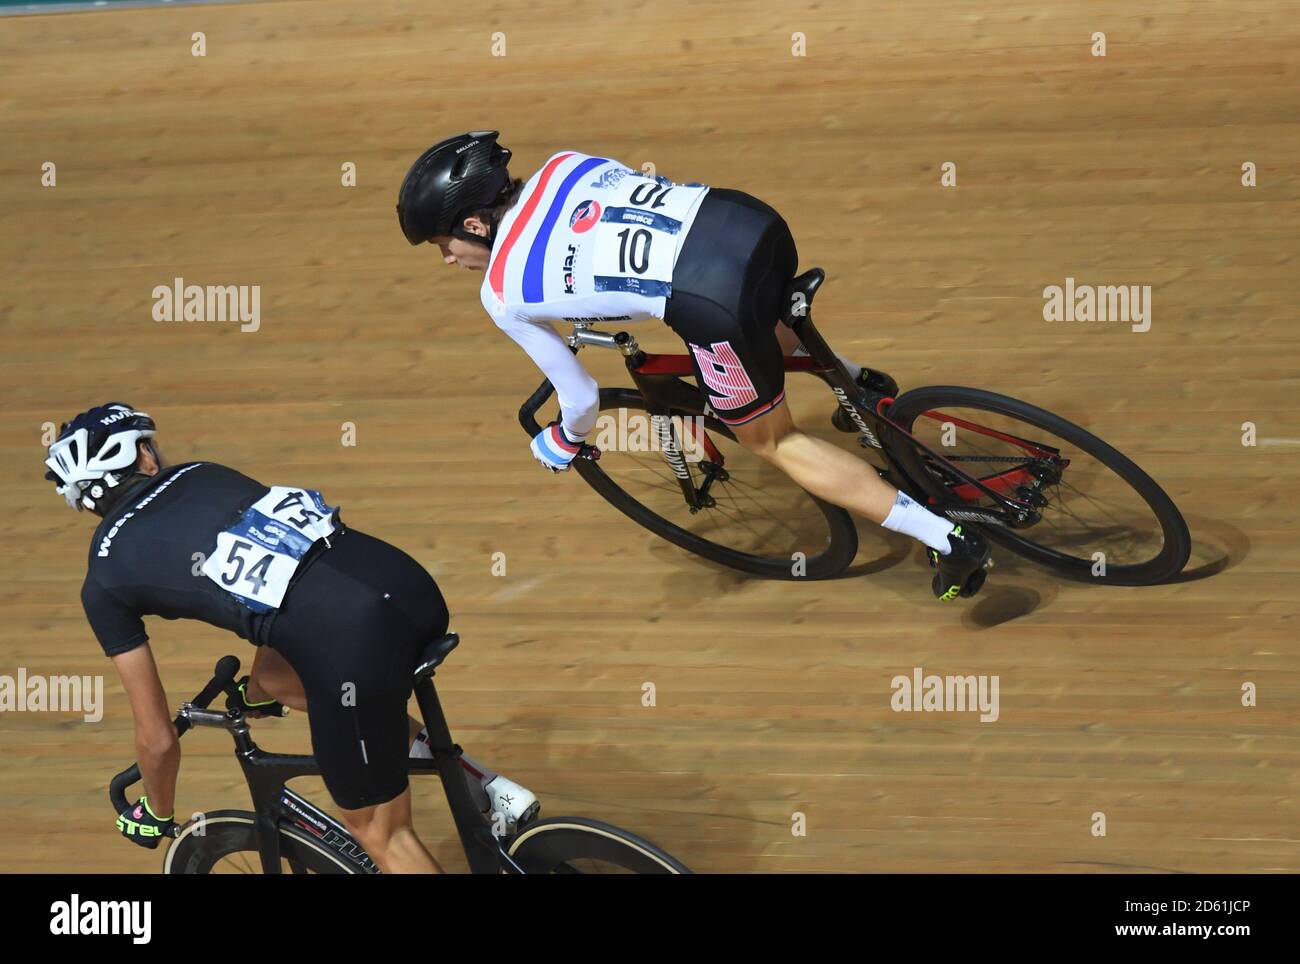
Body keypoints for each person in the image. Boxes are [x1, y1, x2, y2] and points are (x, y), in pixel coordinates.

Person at [396, 131, 992, 600]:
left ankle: (950, 538)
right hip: (751, 222)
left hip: (711, 299)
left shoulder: (502, 292)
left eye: (442, 245)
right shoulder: (562, 164)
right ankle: (858, 382)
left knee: (773, 440)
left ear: (474, 224)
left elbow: (580, 400)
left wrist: (564, 439)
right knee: (756, 322)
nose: (449, 259)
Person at [44, 402, 533, 873]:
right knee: (287, 679)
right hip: (406, 584)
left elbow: (157, 740)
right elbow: (285, 576)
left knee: (384, 835)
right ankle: (488, 788)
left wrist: (156, 810)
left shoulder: (103, 579)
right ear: (146, 457)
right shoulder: (202, 472)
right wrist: (258, 691)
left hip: (353, 642)